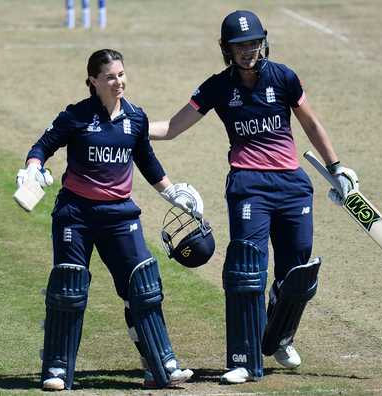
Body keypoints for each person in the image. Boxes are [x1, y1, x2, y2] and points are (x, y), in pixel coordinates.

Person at [149, 10, 359, 384]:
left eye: (253, 43)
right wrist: (126, 124)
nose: (248, 50)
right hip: (249, 185)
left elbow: (310, 122)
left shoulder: (283, 77)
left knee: (297, 271)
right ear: (226, 49)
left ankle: (279, 336)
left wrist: (337, 166)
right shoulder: (217, 87)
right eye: (239, 45)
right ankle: (244, 358)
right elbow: (170, 128)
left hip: (292, 184)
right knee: (248, 267)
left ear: (263, 42)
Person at [16, 49, 202, 391]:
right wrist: (31, 169)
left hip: (119, 216)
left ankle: (161, 364)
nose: (119, 82)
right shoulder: (76, 116)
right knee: (69, 289)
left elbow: (147, 161)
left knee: (143, 287)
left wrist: (172, 192)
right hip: (76, 215)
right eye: (111, 77)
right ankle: (56, 369)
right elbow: (42, 146)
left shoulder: (136, 118)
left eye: (121, 74)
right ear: (93, 81)